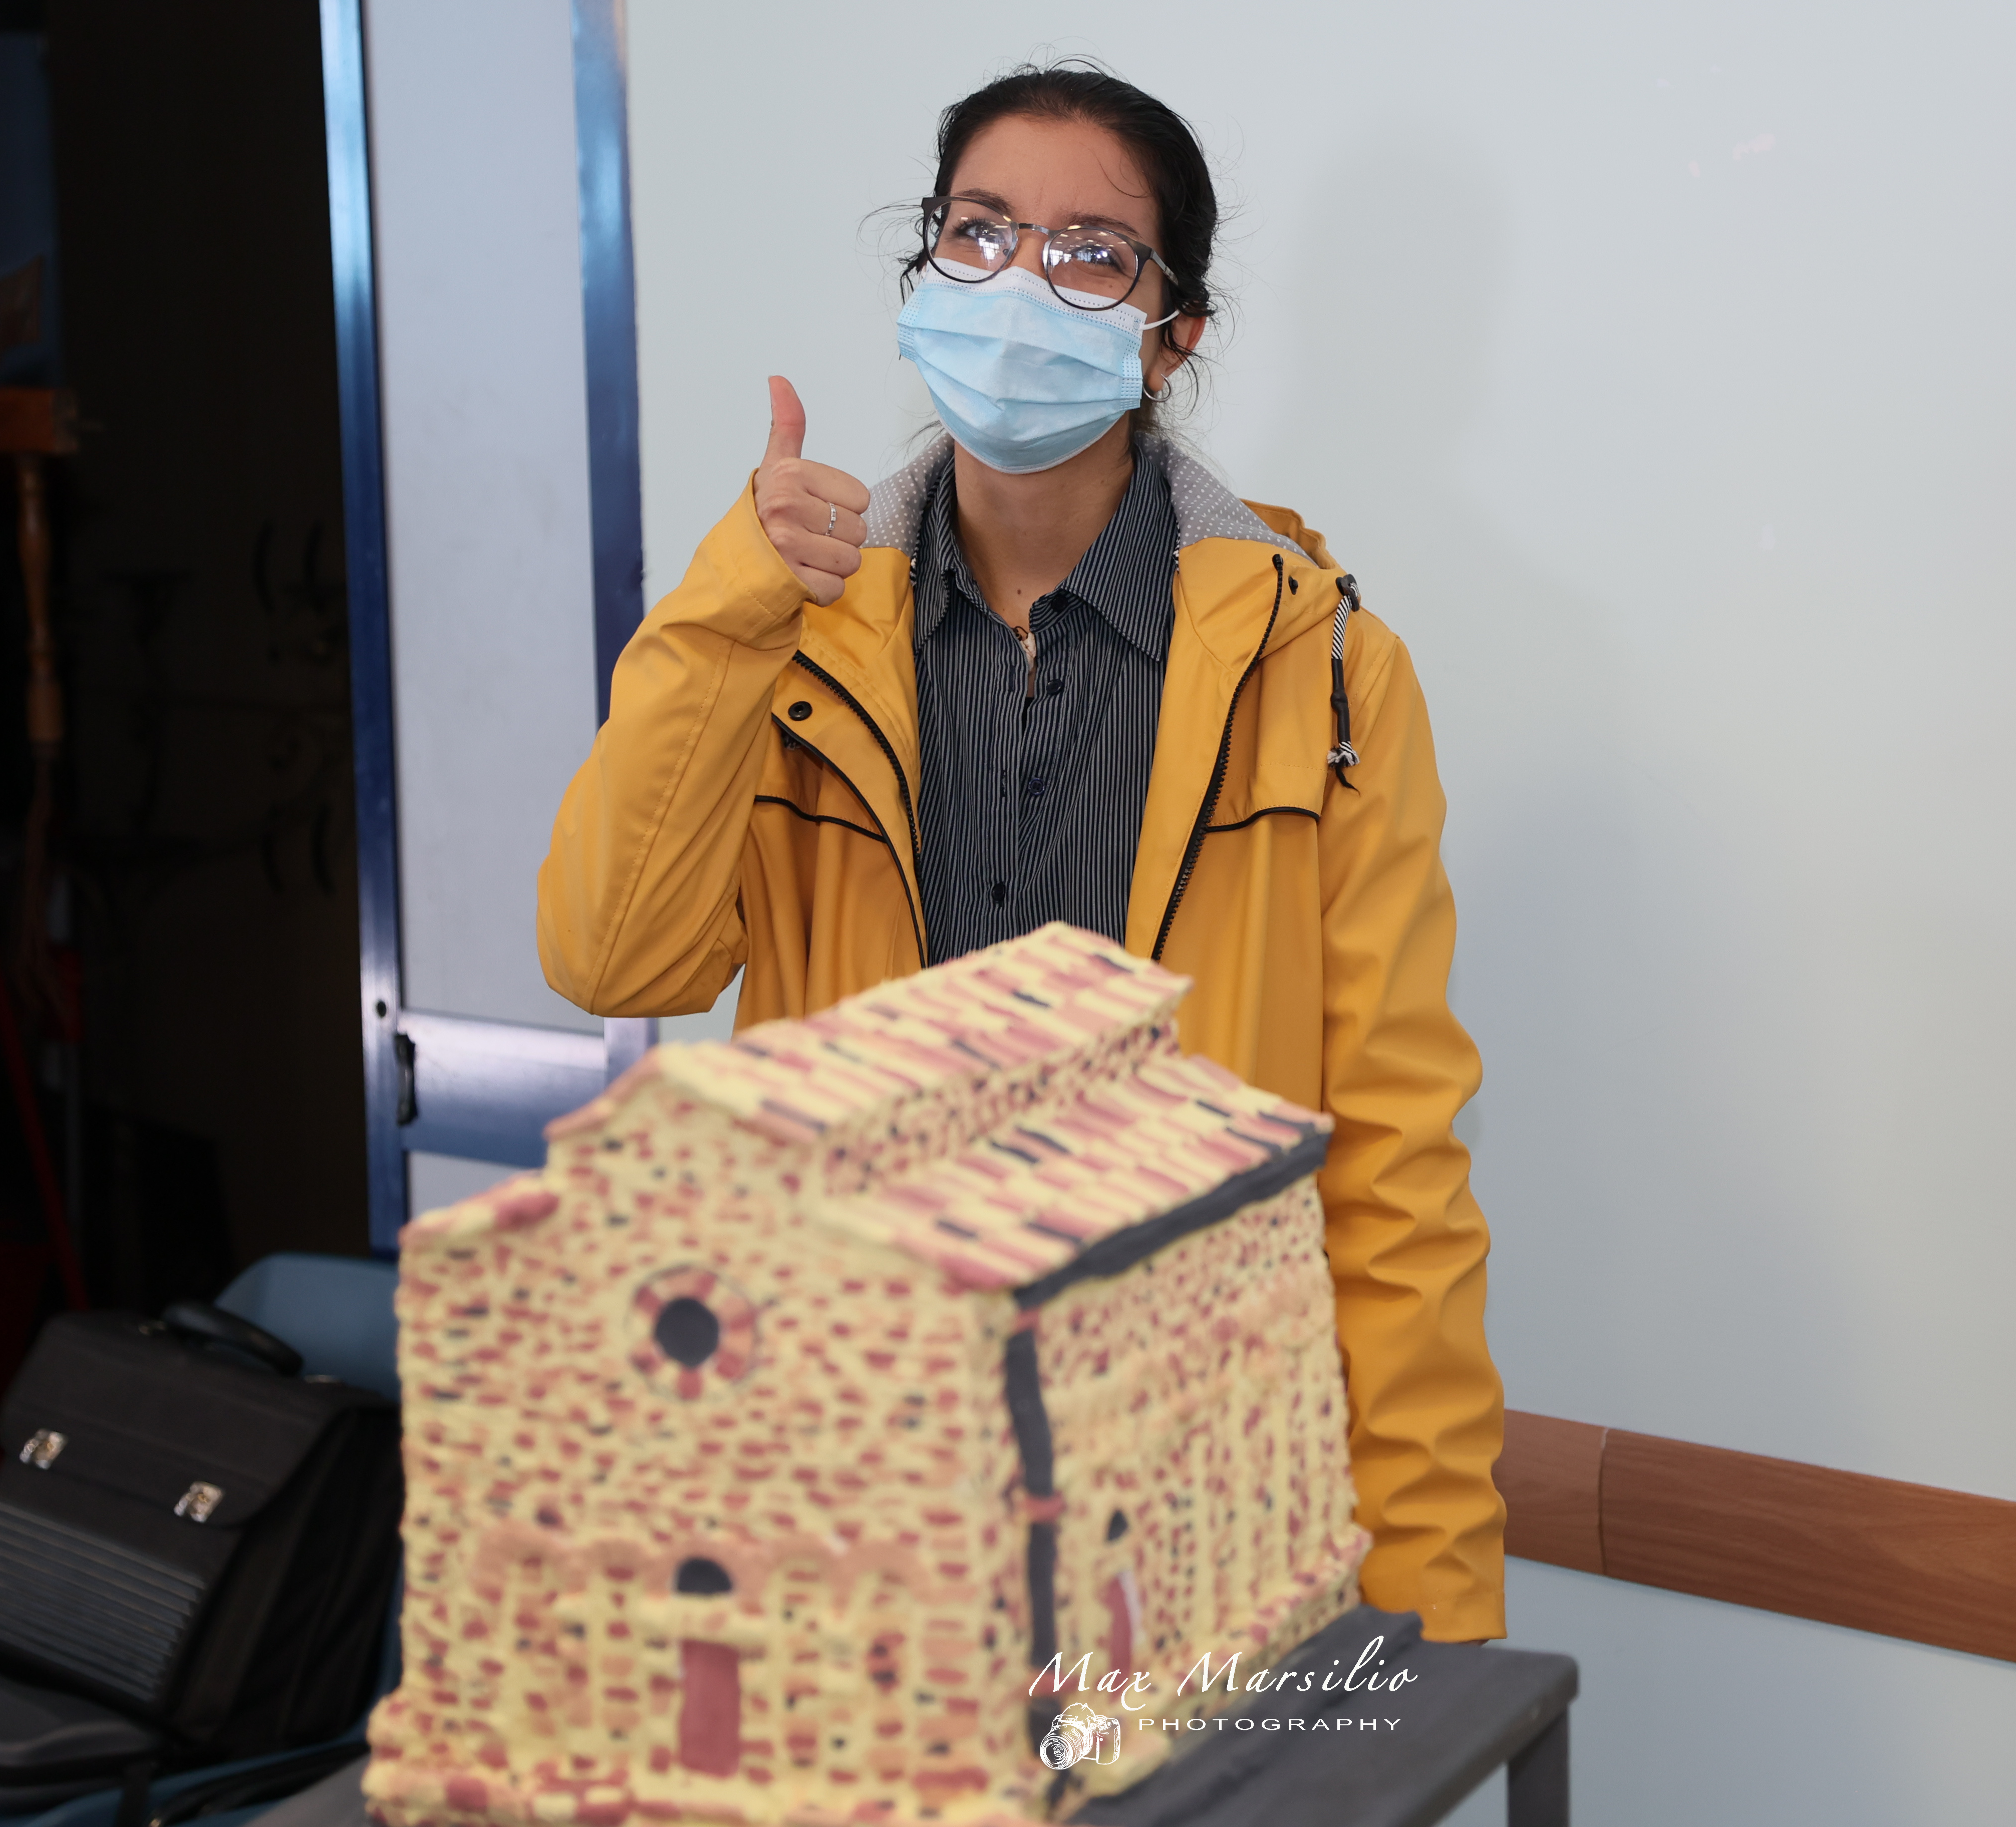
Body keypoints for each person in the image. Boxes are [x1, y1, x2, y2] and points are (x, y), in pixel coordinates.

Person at [537, 64, 1506, 1644]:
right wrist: (725, 610)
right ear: (923, 268)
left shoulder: (1320, 667)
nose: (1019, 285)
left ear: (1175, 332)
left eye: (1091, 253)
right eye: (979, 231)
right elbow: (613, 955)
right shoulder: (789, 632)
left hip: (1182, 1517)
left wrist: (1434, 1618)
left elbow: (1395, 1176)